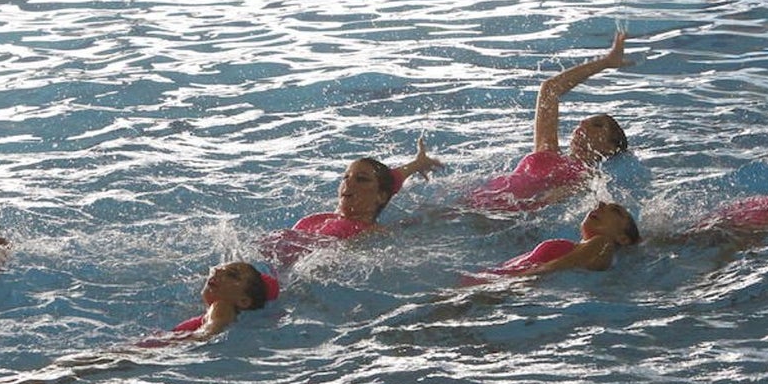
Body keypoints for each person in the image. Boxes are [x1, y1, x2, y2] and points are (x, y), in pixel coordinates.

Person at [469, 31, 631, 212]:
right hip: (474, 201)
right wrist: (606, 62)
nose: (582, 125)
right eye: (583, 121)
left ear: (609, 148)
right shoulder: (547, 150)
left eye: (597, 125)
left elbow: (544, 205)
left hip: (498, 215)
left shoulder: (587, 177)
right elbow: (550, 89)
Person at [262, 135, 443, 264]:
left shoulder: (373, 232)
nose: (349, 183)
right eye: (346, 177)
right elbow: (390, 179)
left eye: (361, 179)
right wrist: (417, 164)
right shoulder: (325, 218)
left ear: (380, 196)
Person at [463, 202, 641, 284]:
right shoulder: (576, 246)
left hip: (496, 286)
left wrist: (506, 284)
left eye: (615, 211)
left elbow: (552, 269)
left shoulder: (603, 244)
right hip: (490, 282)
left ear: (622, 238)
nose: (601, 204)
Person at [136, 261, 280, 346]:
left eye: (232, 274)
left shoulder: (221, 307)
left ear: (243, 301)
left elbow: (207, 334)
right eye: (220, 267)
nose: (217, 270)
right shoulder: (217, 313)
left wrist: (171, 344)